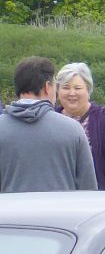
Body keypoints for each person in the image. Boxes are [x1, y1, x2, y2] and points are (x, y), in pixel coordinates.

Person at [0, 56, 96, 192]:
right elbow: (89, 188)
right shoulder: (73, 129)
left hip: (11, 213)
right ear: (47, 87)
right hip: (62, 212)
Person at [54, 61, 105, 190]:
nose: (71, 93)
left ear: (88, 90)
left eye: (77, 88)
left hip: (93, 202)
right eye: (66, 88)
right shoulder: (51, 118)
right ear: (58, 91)